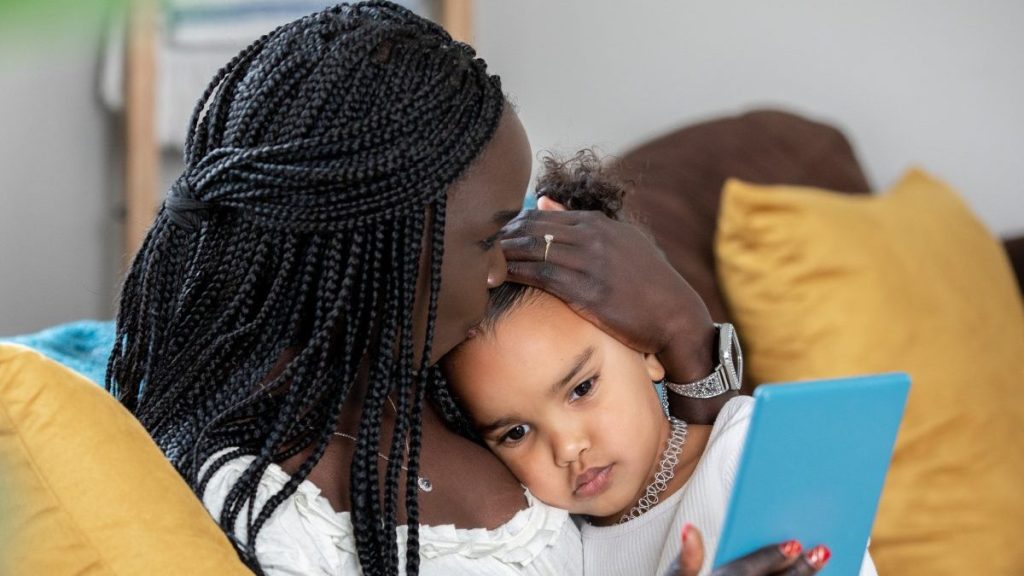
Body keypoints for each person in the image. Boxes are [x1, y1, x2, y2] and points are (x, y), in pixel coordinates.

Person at [106, 2, 832, 575]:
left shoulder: (432, 370)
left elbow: (659, 488)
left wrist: (684, 333)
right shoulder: (267, 501)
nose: (500, 270)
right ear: (377, 241)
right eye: (489, 238)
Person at [442, 152, 876, 576]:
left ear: (648, 352)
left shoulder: (748, 451)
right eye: (516, 432)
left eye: (581, 388)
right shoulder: (565, 551)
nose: (568, 448)